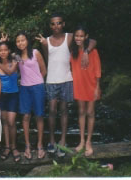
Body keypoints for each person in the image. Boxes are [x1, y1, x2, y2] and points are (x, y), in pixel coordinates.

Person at [36, 13, 96, 157]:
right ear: (50, 26)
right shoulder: (46, 42)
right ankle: (51, 140)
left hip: (67, 79)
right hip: (51, 80)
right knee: (51, 110)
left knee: (64, 110)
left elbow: (93, 41)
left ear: (63, 24)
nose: (56, 26)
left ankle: (63, 140)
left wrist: (87, 51)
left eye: (58, 23)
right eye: (53, 24)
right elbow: (47, 59)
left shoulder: (70, 37)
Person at [70, 26, 101, 157]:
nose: (78, 38)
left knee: (90, 112)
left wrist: (97, 87)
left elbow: (98, 70)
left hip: (91, 84)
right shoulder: (73, 52)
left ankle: (89, 142)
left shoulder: (93, 52)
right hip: (79, 85)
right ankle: (81, 140)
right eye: (77, 36)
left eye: (81, 36)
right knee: (81, 112)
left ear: (86, 37)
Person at [16, 31, 47, 160]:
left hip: (37, 87)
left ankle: (40, 145)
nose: (20, 43)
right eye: (18, 41)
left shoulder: (35, 53)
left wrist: (37, 82)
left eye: (22, 40)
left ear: (27, 41)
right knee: (26, 116)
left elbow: (44, 70)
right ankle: (27, 146)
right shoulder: (17, 57)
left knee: (39, 116)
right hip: (24, 88)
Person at [0, 41, 21, 162]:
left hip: (13, 95)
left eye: (5, 50)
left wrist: (0, 65)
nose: (3, 52)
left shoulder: (15, 61)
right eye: (0, 50)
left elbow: (10, 72)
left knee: (11, 121)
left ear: (9, 50)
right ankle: (6, 147)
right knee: (4, 121)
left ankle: (14, 147)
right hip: (1, 95)